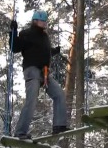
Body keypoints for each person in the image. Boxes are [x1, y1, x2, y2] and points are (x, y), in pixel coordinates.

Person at [10, 10, 68, 138]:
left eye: (45, 21)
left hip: (44, 72)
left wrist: (53, 51)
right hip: (32, 70)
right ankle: (20, 132)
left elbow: (42, 51)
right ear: (35, 21)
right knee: (32, 100)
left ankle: (59, 126)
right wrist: (13, 32)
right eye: (42, 21)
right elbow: (15, 47)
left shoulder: (44, 37)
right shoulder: (27, 34)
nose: (45, 23)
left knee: (59, 95)